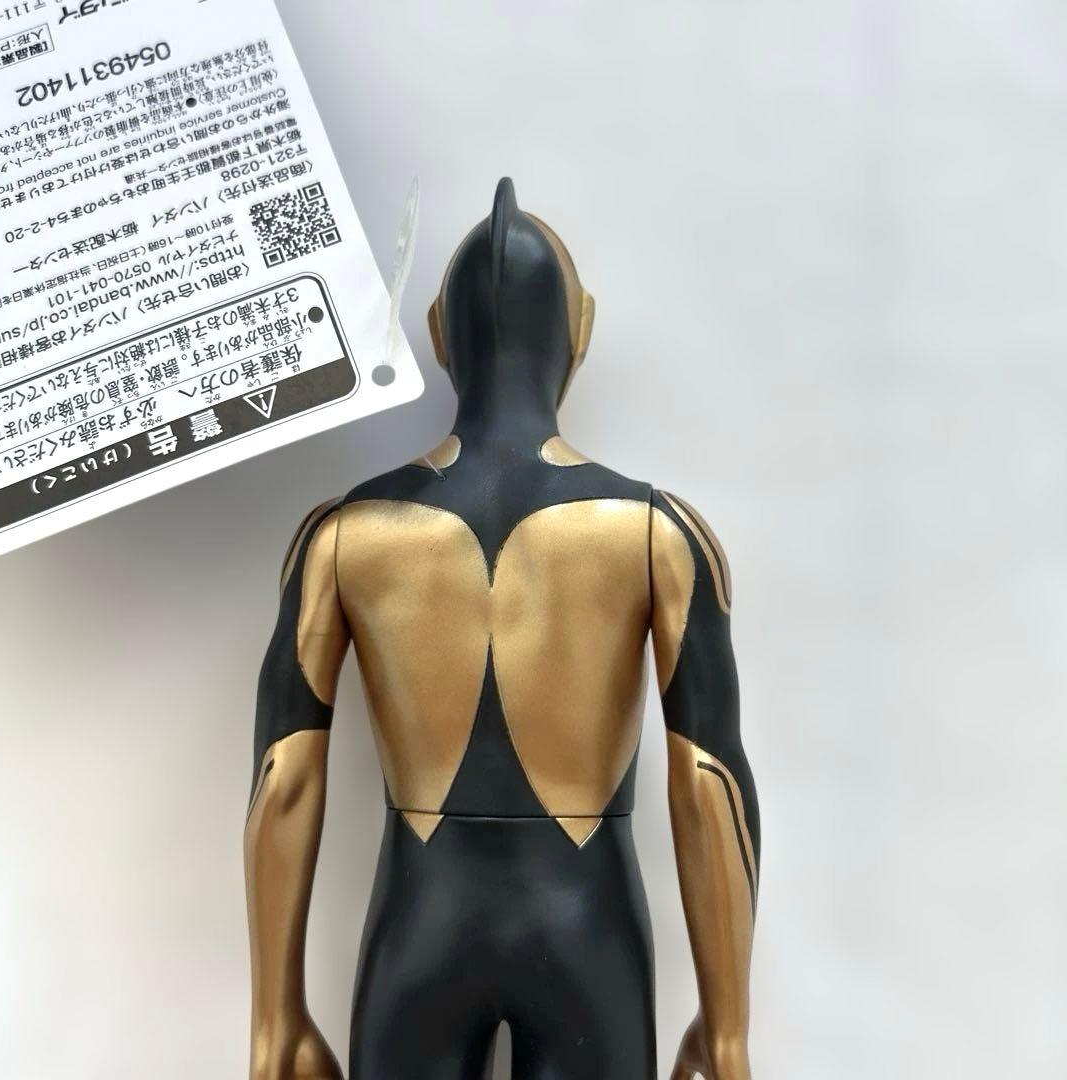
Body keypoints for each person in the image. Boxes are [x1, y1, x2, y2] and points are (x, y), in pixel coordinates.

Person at [244, 178, 760, 1080]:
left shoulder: (343, 534)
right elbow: (709, 783)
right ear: (582, 330)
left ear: (440, 337)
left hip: (419, 926)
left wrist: (274, 1021)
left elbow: (283, 777)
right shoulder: (657, 531)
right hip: (588, 927)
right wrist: (727, 1033)